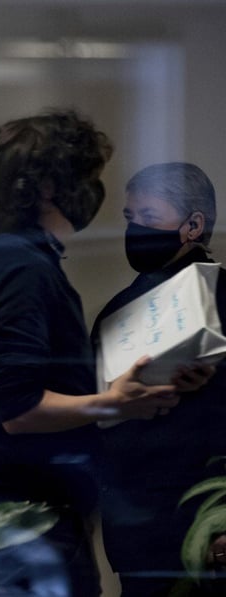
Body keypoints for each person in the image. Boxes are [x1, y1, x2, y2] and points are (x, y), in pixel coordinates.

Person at [0, 110, 183, 596]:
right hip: (30, 520)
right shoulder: (22, 270)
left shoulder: (3, 255)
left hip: (24, 515)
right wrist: (114, 403)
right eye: (88, 177)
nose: (95, 192)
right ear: (52, 187)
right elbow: (20, 409)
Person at [91, 162, 226, 596]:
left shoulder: (220, 296)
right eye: (131, 218)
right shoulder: (116, 312)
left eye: (150, 217)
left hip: (204, 524)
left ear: (193, 225)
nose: (136, 229)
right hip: (135, 529)